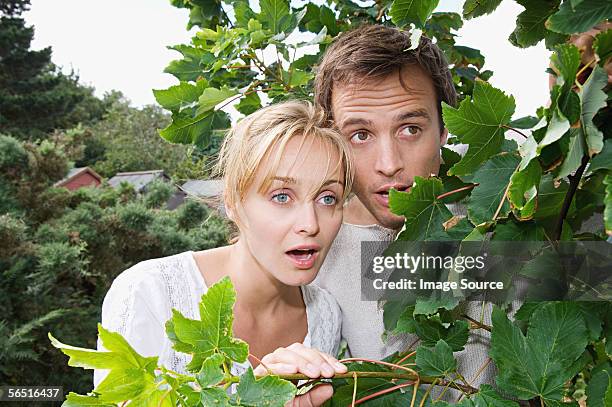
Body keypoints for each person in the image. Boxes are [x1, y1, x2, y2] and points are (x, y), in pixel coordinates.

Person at [94, 101, 352, 405]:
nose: (310, 224)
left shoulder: (325, 316)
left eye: (327, 198)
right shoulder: (149, 293)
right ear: (232, 201)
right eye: (281, 196)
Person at [312, 24, 494, 386]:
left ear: (444, 129)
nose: (388, 162)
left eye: (410, 128)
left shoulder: (503, 195)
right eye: (360, 135)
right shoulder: (314, 244)